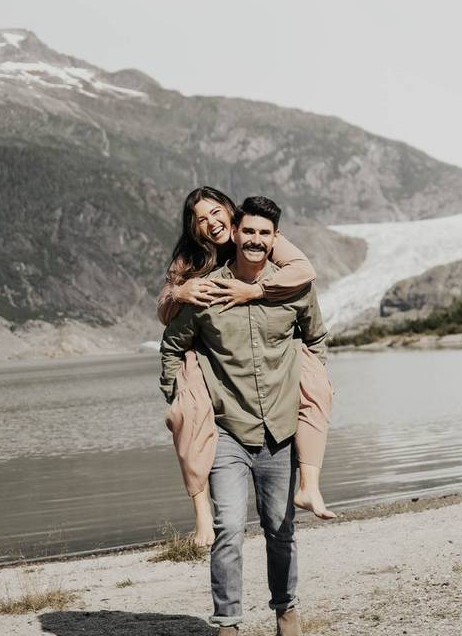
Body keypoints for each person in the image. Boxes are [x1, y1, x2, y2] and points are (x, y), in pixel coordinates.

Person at [160, 196, 327, 635]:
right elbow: (172, 345)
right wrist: (180, 398)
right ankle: (229, 624)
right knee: (229, 526)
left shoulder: (293, 286)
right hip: (227, 429)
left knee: (279, 528)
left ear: (274, 240)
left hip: (280, 428)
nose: (254, 240)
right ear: (235, 234)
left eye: (263, 234)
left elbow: (316, 336)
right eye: (247, 232)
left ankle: (286, 611)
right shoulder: (205, 290)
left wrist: (311, 380)